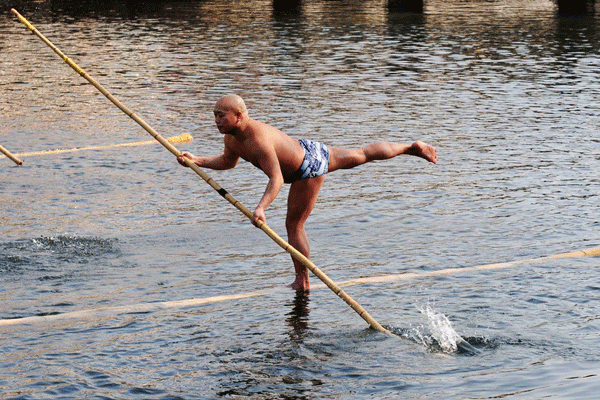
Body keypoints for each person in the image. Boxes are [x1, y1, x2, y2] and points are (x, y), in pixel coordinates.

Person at [177, 94, 437, 291]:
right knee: (361, 154)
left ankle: (302, 280)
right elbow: (227, 162)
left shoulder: (258, 139)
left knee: (294, 224)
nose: (216, 121)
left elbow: (276, 178)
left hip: (307, 168)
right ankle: (410, 148)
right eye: (214, 115)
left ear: (240, 115)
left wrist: (261, 208)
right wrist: (196, 160)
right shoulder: (231, 139)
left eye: (221, 115)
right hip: (306, 147)